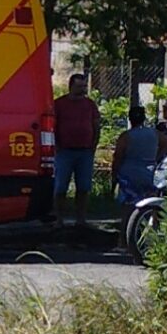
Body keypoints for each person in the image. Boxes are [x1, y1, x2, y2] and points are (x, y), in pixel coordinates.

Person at [51, 71, 100, 235]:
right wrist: (56, 145)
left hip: (85, 152)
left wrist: (93, 146)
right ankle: (59, 219)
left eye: (84, 86)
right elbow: (53, 126)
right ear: (71, 86)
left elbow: (96, 126)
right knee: (60, 187)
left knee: (84, 187)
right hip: (64, 151)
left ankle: (81, 219)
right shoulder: (59, 104)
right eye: (79, 86)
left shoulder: (90, 105)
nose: (83, 89)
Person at [110, 101, 161, 207]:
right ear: (144, 118)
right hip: (149, 171)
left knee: (128, 203)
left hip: (130, 173)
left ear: (130, 119)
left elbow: (118, 156)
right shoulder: (154, 133)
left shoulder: (126, 136)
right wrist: (157, 156)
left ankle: (128, 221)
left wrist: (115, 175)